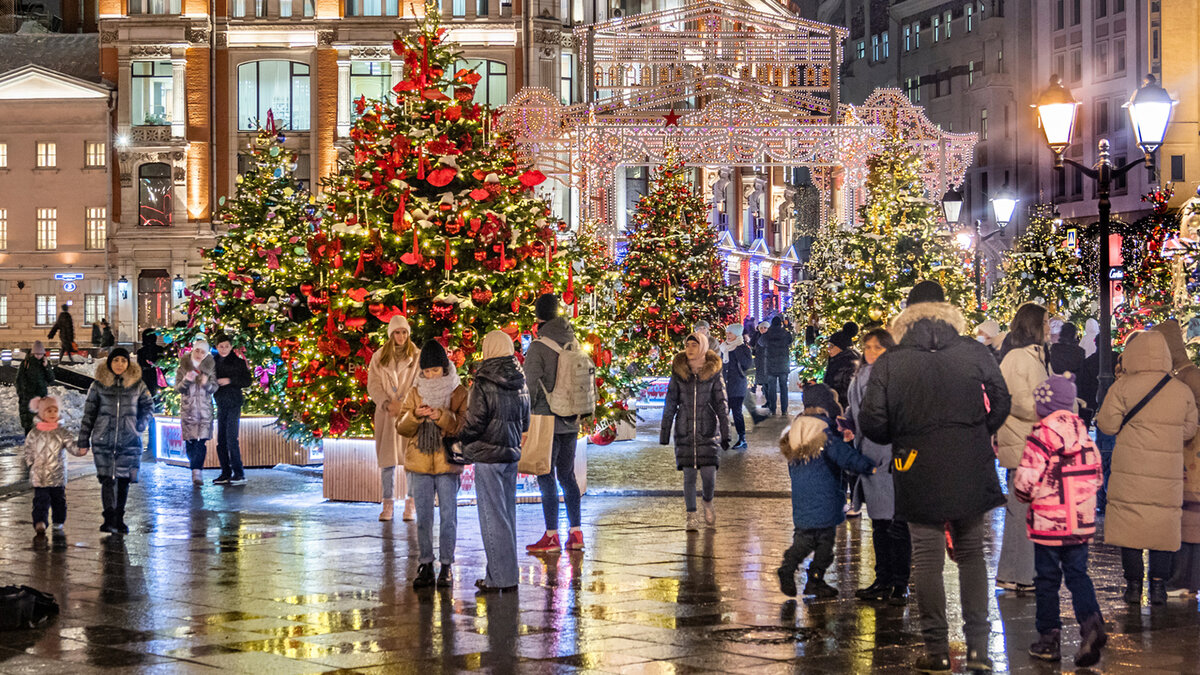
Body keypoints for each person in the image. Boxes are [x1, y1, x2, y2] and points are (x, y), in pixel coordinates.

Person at [859, 280, 1012, 675]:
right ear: (946, 310)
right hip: (970, 460)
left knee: (926, 556)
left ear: (906, 316)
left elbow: (872, 421)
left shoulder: (892, 361)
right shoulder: (973, 350)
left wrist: (900, 436)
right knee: (972, 553)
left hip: (916, 462)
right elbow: (1002, 399)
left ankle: (937, 649)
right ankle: (978, 650)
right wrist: (978, 430)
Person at [1097, 330, 1198, 606]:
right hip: (1166, 472)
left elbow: (1106, 425)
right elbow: (1189, 429)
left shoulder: (1122, 387)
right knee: (1162, 526)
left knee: (1131, 526)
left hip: (1130, 468)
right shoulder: (1180, 390)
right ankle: (1158, 588)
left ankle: (1132, 586)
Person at [1013, 375, 1107, 667]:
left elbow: (1026, 479)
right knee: (1078, 573)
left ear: (1044, 407)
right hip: (1079, 521)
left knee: (1047, 579)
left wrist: (1024, 494)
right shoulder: (1083, 434)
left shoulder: (1042, 435)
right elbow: (1097, 476)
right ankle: (1091, 622)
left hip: (1049, 522)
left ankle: (1049, 639)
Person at [776, 383, 876, 599]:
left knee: (803, 540)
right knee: (824, 545)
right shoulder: (825, 434)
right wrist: (869, 466)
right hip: (825, 499)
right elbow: (845, 458)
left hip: (803, 501)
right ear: (826, 407)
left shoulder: (797, 432)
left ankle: (791, 568)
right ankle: (813, 579)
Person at [458, 330, 529, 593]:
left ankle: (501, 578)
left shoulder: (483, 381)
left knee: (492, 518)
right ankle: (502, 574)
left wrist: (460, 437)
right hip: (511, 453)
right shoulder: (520, 379)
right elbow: (526, 421)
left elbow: (475, 422)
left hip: (488, 456)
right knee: (507, 516)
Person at [845, 328, 911, 605]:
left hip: (890, 454)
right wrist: (847, 424)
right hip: (868, 452)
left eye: (878, 347)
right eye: (868, 346)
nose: (871, 352)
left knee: (895, 522)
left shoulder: (895, 377)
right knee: (879, 522)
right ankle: (883, 579)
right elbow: (856, 410)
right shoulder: (860, 375)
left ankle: (899, 583)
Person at [396, 340, 468, 590]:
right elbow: (402, 427)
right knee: (424, 517)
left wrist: (442, 416)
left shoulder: (458, 392)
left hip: (447, 462)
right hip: (419, 462)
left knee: (449, 516)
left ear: (445, 368)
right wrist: (415, 415)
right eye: (426, 372)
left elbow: (463, 425)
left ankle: (447, 564)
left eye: (435, 370)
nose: (430, 375)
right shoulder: (415, 391)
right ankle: (426, 563)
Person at [995, 303, 1051, 594]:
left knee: (1025, 511)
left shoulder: (1035, 356)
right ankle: (1019, 574)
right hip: (1023, 445)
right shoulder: (1019, 358)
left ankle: (1018, 573)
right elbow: (1016, 400)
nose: (1049, 328)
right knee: (1022, 512)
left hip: (1032, 445)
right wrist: (1052, 407)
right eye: (1044, 322)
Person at [524, 294, 585, 553]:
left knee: (545, 475)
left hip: (546, 420)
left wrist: (527, 418)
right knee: (568, 476)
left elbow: (530, 387)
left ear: (538, 317)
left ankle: (551, 536)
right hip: (571, 420)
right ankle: (576, 533)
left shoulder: (538, 347)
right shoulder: (574, 341)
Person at [78, 347, 153, 534]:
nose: (120, 364)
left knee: (123, 480)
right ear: (109, 363)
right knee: (107, 480)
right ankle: (108, 517)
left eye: (123, 360)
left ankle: (119, 517)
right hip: (104, 439)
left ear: (128, 363)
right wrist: (82, 440)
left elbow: (148, 406)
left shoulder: (137, 385)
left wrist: (140, 425)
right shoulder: (98, 385)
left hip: (129, 439)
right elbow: (89, 414)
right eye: (116, 360)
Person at [1150, 321, 1200, 598]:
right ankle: (1184, 580)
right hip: (1186, 457)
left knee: (1189, 521)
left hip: (1190, 458)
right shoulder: (1183, 373)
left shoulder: (1187, 376)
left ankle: (1183, 580)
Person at [661, 332, 730, 530]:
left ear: (702, 347)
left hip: (707, 430)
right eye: (687, 344)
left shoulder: (713, 372)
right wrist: (664, 432)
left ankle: (707, 501)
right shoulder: (679, 371)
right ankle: (691, 514)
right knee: (689, 476)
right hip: (684, 430)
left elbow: (721, 404)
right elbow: (670, 402)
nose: (690, 348)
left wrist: (725, 433)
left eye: (694, 345)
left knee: (709, 474)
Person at [367, 315, 420, 522]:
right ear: (391, 334)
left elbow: (419, 383)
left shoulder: (417, 356)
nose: (401, 336)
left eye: (404, 332)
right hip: (387, 414)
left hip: (408, 413)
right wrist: (387, 403)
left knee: (411, 460)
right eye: (397, 332)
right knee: (387, 461)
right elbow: (373, 385)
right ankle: (387, 503)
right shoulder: (379, 357)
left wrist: (404, 404)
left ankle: (411, 503)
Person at [24, 395, 86, 535]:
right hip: (39, 476)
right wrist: (31, 464)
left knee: (59, 501)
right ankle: (40, 522)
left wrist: (80, 450)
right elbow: (28, 450)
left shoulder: (62, 433)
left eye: (55, 410)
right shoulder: (34, 433)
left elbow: (71, 446)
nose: (52, 414)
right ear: (41, 413)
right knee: (40, 501)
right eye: (48, 411)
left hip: (57, 475)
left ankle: (59, 521)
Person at [175, 338, 218, 486]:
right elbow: (178, 388)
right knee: (191, 443)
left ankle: (197, 472)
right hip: (189, 410)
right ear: (193, 350)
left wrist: (206, 384)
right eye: (197, 350)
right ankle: (195, 467)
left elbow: (214, 387)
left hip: (205, 411)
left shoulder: (210, 366)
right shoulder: (184, 365)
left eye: (203, 352)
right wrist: (186, 380)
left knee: (201, 443)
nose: (199, 354)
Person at [212, 335, 252, 486]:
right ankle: (225, 472)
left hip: (234, 402)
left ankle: (239, 473)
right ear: (217, 347)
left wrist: (229, 380)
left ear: (231, 347)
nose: (223, 349)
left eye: (226, 346)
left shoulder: (238, 362)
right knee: (221, 439)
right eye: (221, 346)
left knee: (231, 438)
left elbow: (247, 380)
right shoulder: (213, 362)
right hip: (220, 402)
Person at [719, 323, 757, 449]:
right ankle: (723, 437)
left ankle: (742, 438)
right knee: (723, 414)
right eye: (727, 333)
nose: (727, 335)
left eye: (730, 333)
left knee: (737, 413)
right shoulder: (723, 348)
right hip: (724, 385)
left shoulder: (743, 348)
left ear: (737, 334)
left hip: (737, 385)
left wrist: (738, 349)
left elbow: (747, 365)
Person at [16, 341, 55, 434]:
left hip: (41, 399)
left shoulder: (45, 363)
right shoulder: (26, 364)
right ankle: (30, 445)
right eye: (37, 354)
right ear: (33, 353)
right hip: (28, 398)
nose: (39, 356)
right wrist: (22, 393)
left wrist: (46, 367)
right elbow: (19, 380)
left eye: (41, 354)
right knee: (29, 425)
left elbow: (51, 379)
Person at [762, 315, 794, 416]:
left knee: (772, 387)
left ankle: (772, 408)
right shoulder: (786, 333)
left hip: (771, 364)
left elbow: (760, 343)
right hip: (783, 364)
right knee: (784, 387)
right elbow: (790, 341)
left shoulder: (767, 334)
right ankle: (784, 409)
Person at [822, 325, 860, 408]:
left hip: (842, 409)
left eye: (831, 346)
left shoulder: (850, 363)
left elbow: (849, 392)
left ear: (840, 347)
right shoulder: (836, 360)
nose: (828, 349)